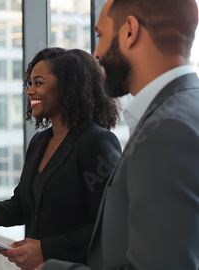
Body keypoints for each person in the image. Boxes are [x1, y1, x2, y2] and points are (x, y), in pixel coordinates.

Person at [41, 0, 199, 269]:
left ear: (129, 31)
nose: (96, 52)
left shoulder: (167, 131)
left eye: (101, 35)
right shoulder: (184, 111)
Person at [0, 47, 122, 269]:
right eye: (30, 84)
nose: (29, 91)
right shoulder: (39, 141)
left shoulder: (97, 142)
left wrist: (45, 250)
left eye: (38, 83)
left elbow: (109, 225)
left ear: (68, 87)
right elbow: (22, 206)